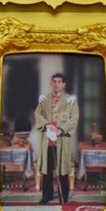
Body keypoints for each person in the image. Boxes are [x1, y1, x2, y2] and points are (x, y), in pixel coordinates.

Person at [32, 71, 78, 204]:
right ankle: (47, 195)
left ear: (63, 84)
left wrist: (60, 129)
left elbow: (74, 119)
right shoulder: (44, 99)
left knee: (62, 169)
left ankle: (63, 196)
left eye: (59, 82)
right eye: (54, 82)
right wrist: (47, 125)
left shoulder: (71, 101)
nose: (57, 84)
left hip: (62, 139)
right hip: (47, 139)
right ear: (51, 83)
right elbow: (37, 114)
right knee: (47, 170)